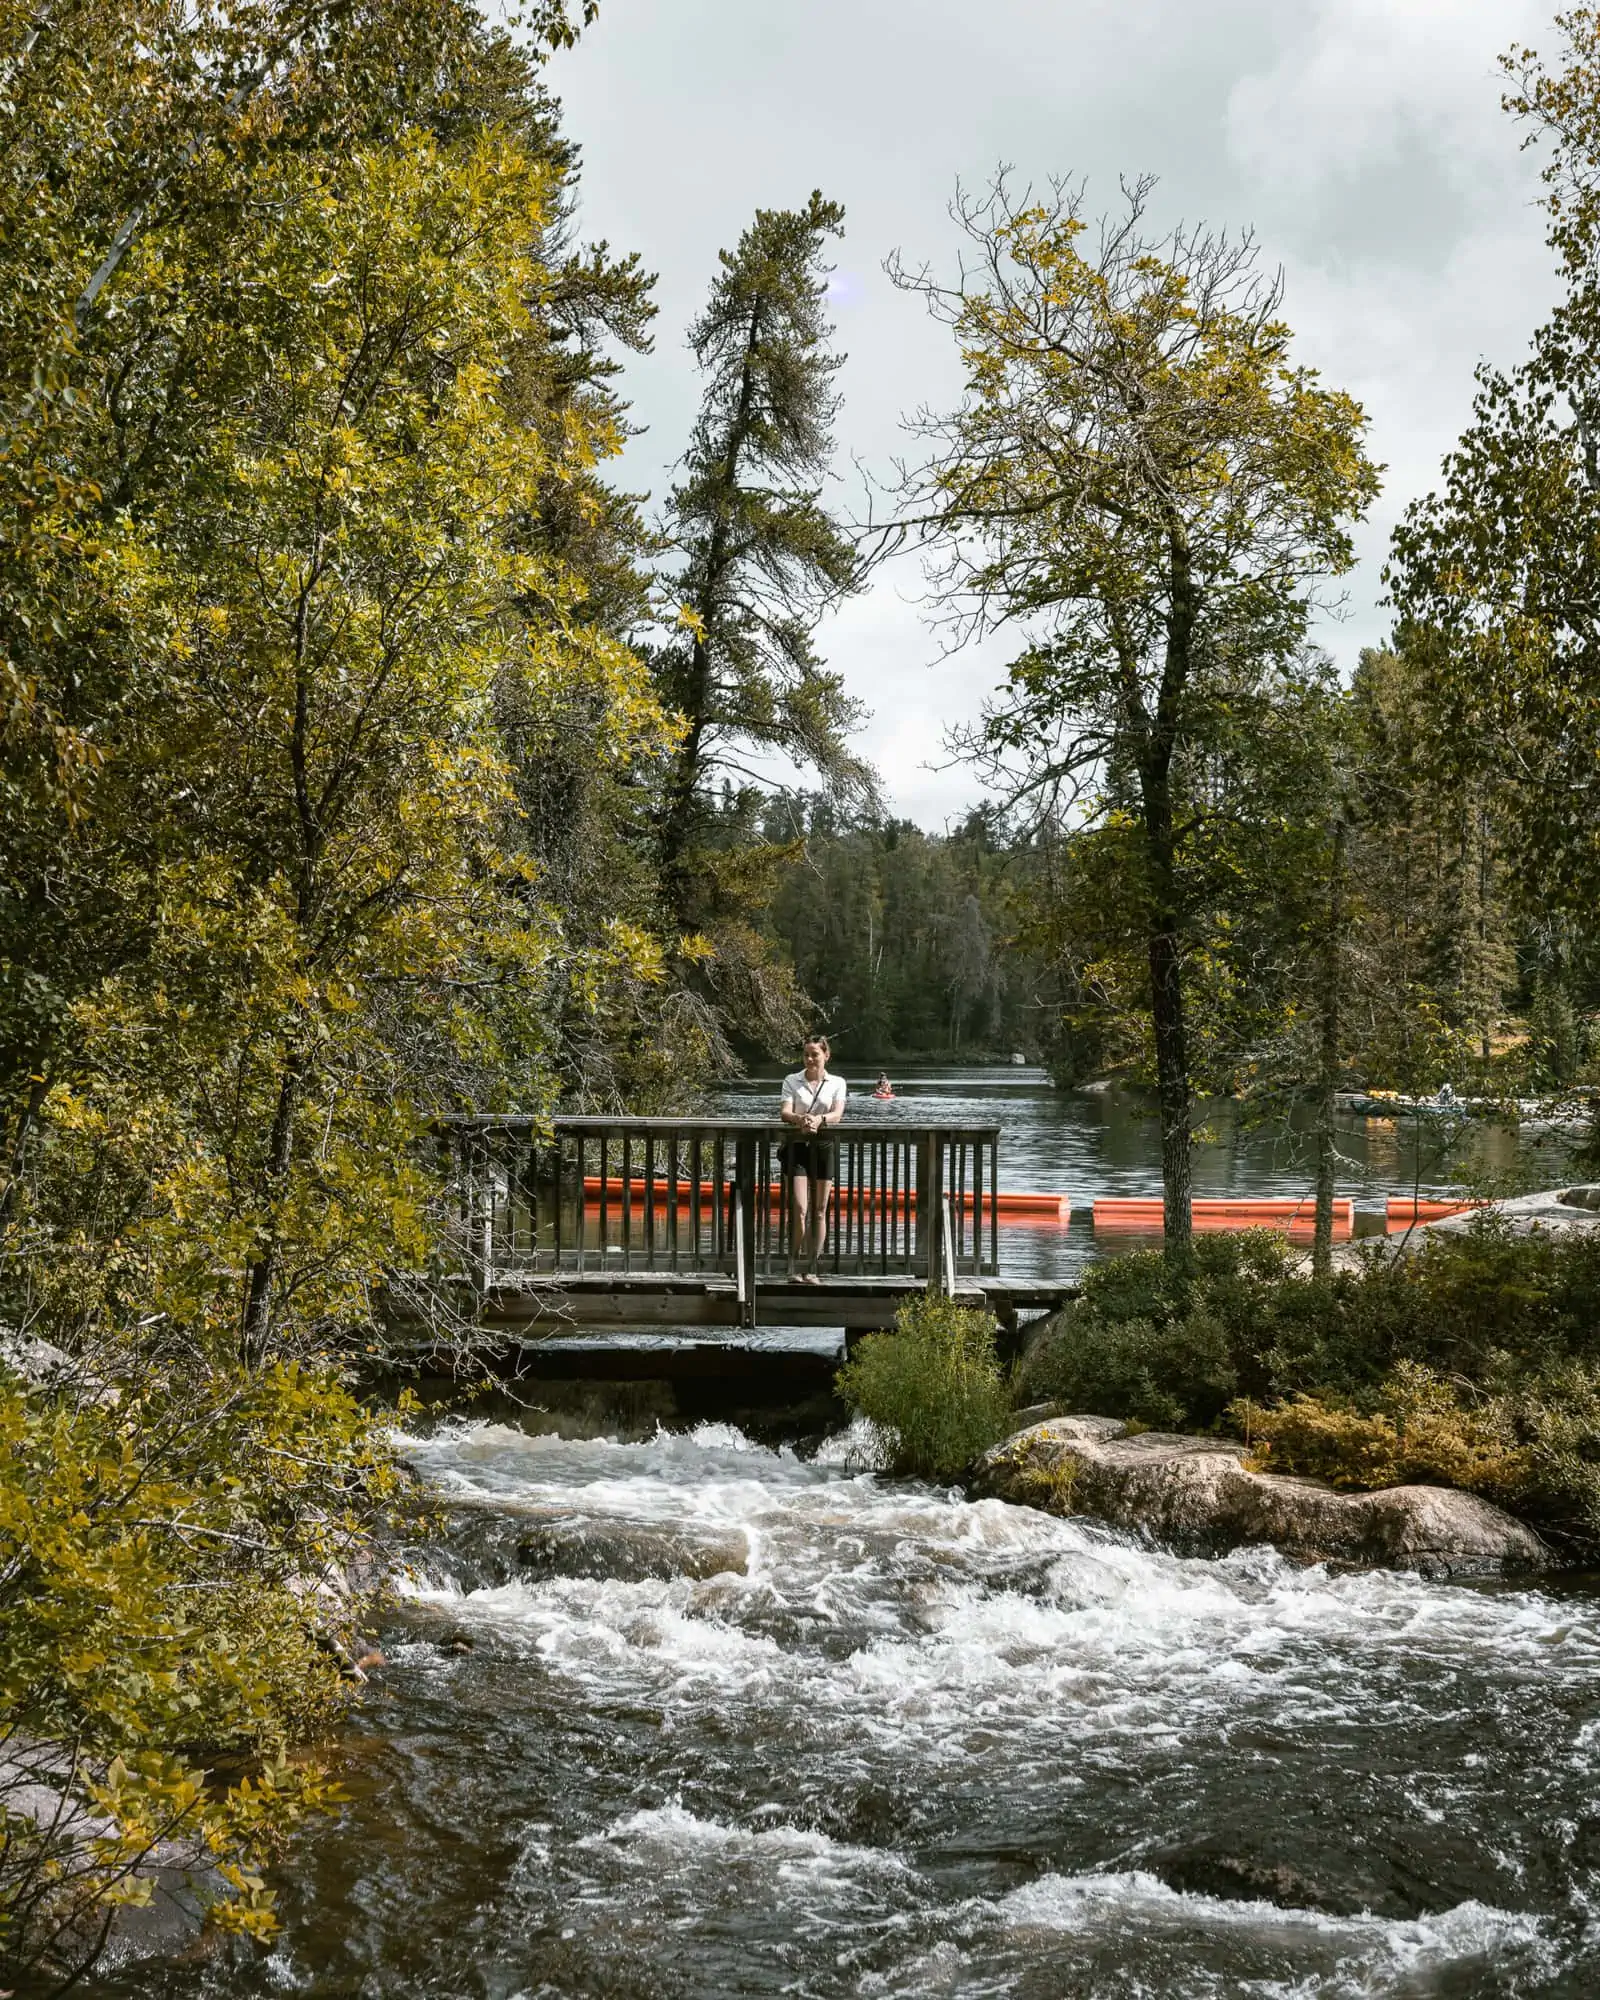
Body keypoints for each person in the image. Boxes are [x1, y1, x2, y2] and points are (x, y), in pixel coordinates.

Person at [779, 1036, 846, 1281]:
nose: (809, 1059)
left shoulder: (837, 1082)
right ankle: (793, 1264)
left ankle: (812, 1267)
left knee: (819, 1210)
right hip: (797, 1146)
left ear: (826, 1055)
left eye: (815, 1054)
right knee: (799, 1208)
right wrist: (800, 1119)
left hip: (824, 1146)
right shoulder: (791, 1080)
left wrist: (820, 1120)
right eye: (806, 1054)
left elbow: (838, 1113)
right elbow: (785, 1112)